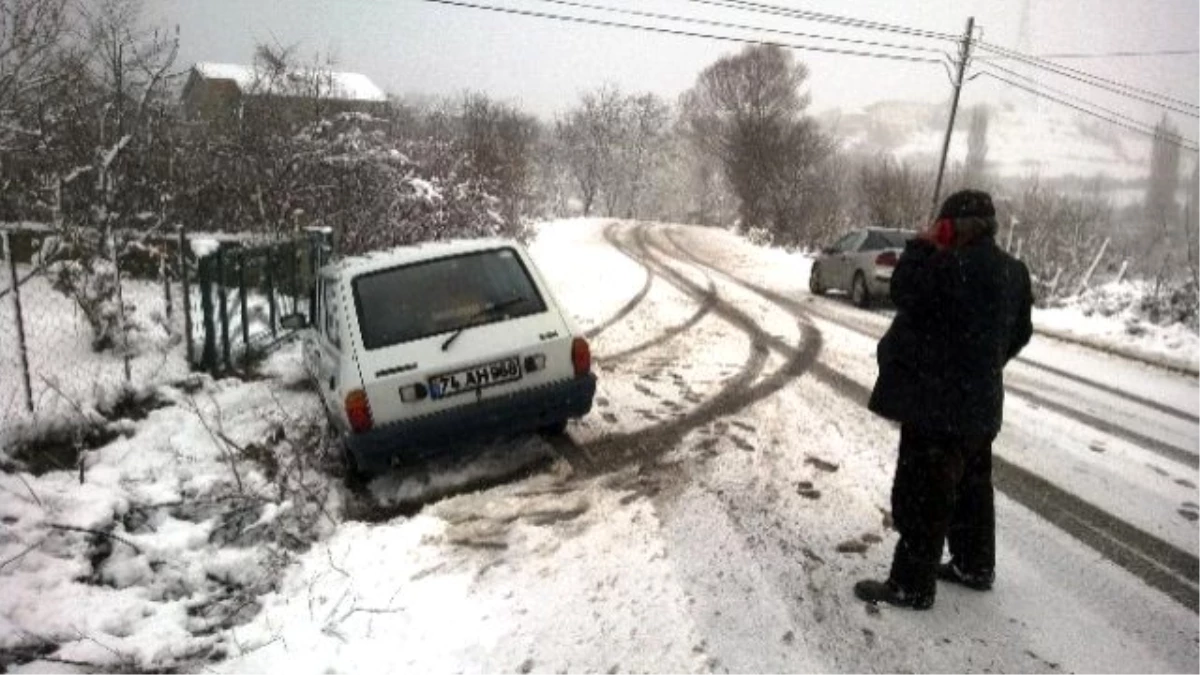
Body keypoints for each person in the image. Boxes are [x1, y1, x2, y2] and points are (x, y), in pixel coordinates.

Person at [854, 189, 1033, 610]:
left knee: (922, 494)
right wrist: (985, 364)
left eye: (942, 224)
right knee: (972, 489)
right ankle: (974, 565)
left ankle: (911, 585)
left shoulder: (945, 264)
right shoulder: (1015, 272)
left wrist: (921, 245)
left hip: (936, 407)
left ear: (951, 226)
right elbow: (1020, 332)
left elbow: (902, 290)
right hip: (981, 405)